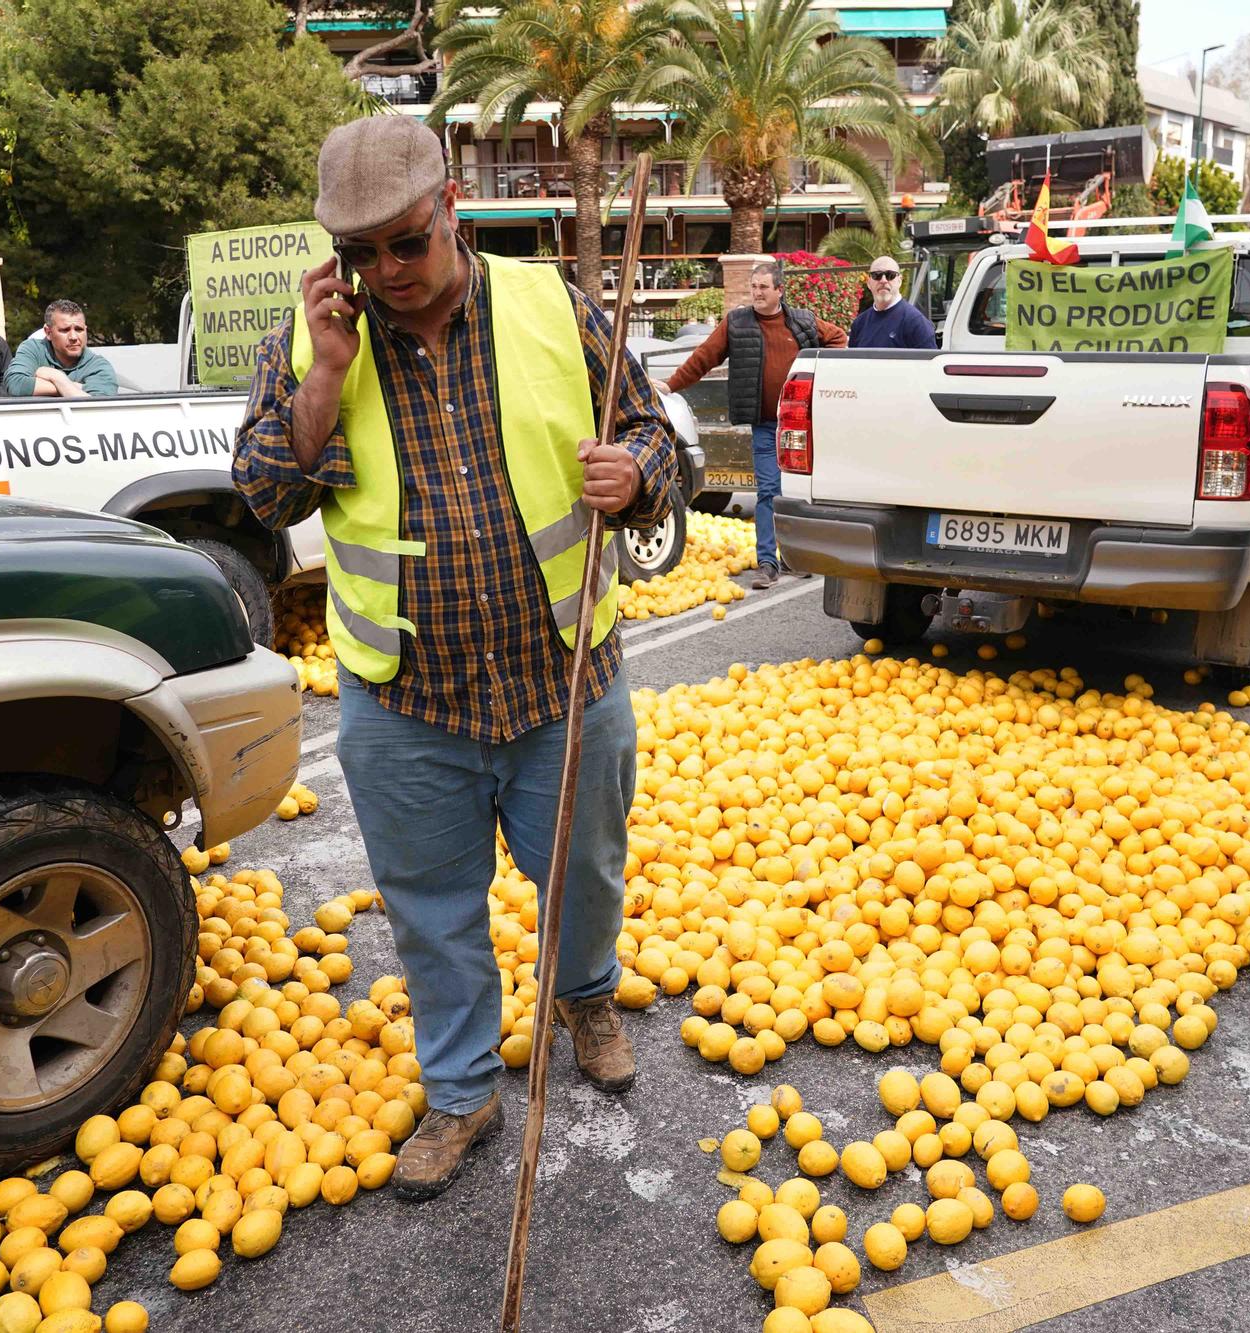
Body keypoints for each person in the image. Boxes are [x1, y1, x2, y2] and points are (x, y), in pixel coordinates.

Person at [231, 117, 676, 1201]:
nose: (385, 272)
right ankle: (463, 1088)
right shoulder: (313, 342)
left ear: (451, 216)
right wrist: (328, 375)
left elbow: (658, 433)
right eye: (360, 254)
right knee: (430, 909)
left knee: (583, 872)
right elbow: (266, 493)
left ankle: (584, 994)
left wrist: (636, 472)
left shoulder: (547, 303)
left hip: (563, 679)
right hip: (406, 697)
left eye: (405, 243)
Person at [665, 261, 847, 588]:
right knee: (768, 490)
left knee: (798, 492)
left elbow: (838, 338)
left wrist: (821, 377)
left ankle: (796, 556)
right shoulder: (737, 323)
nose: (757, 293)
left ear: (779, 290)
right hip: (764, 424)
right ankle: (768, 563)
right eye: (753, 287)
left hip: (800, 426)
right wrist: (671, 384)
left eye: (763, 287)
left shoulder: (802, 322)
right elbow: (704, 357)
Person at [6, 300, 119, 398]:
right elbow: (15, 384)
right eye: (65, 330)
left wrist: (57, 377)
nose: (74, 337)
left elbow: (96, 409)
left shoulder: (99, 367)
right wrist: (76, 388)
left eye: (79, 329)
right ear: (48, 332)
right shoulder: (33, 349)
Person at [848, 257, 936, 350]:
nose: (883, 280)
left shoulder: (916, 323)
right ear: (869, 283)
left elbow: (929, 364)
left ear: (899, 281)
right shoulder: (859, 324)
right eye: (876, 275)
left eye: (890, 275)